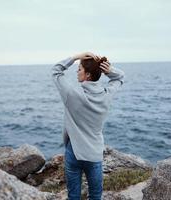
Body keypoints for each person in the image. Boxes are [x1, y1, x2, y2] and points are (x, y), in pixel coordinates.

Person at [51, 52, 125, 200]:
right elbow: (120, 77)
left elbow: (56, 70)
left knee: (73, 196)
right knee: (96, 196)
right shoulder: (106, 95)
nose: (77, 71)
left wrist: (76, 56)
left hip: (74, 152)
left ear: (88, 75)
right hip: (94, 154)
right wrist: (109, 70)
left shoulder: (71, 93)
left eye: (79, 69)